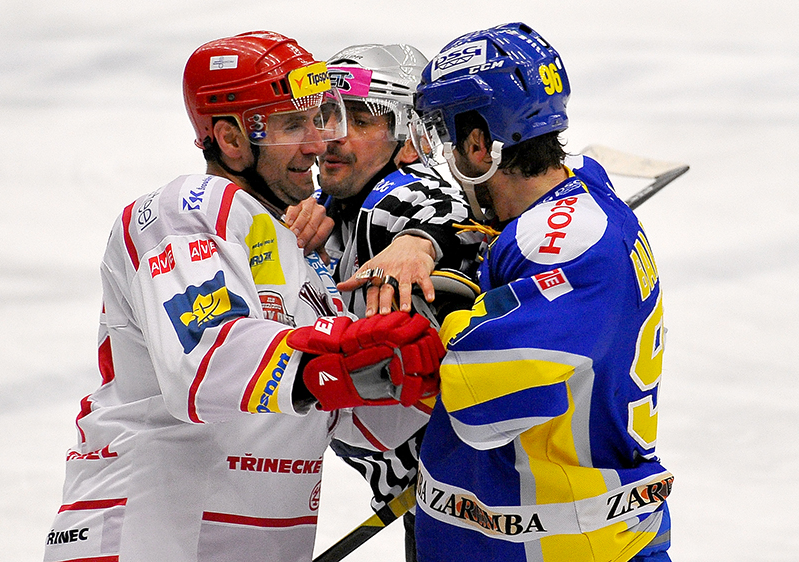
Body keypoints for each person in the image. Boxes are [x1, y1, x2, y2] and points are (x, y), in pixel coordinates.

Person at [42, 31, 444, 562]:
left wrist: (429, 364)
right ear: (231, 140)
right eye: (292, 125)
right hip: (145, 537)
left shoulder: (306, 261)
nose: (317, 144)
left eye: (318, 118)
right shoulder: (186, 210)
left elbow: (356, 419)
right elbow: (206, 361)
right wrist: (339, 355)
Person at [409, 22, 673, 562]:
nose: (446, 159)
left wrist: (457, 312)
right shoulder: (573, 206)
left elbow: (480, 400)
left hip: (564, 548)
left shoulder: (568, 241)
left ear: (478, 144)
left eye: (447, 136)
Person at [285, 43, 483, 562]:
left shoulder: (395, 200)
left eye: (361, 119)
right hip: (436, 498)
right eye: (327, 115)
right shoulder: (334, 207)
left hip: (467, 505)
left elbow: (451, 213)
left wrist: (423, 240)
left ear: (409, 138)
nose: (333, 135)